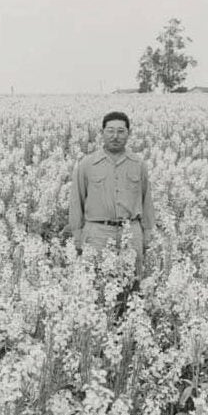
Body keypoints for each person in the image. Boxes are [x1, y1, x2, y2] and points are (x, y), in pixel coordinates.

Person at [69, 109, 154, 284]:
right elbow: (77, 200)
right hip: (97, 233)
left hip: (131, 231)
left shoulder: (139, 164)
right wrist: (77, 235)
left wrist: (147, 233)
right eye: (110, 131)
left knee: (132, 284)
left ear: (128, 134)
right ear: (102, 133)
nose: (115, 136)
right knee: (95, 284)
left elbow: (147, 201)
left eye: (121, 131)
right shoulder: (87, 164)